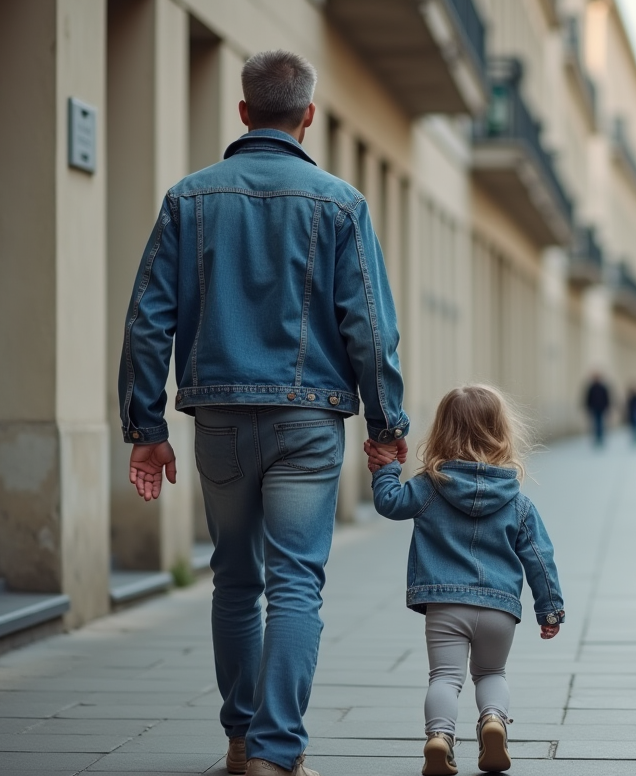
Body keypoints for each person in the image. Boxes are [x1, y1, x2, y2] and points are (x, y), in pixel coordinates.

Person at [119, 50, 408, 776]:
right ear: (308, 116)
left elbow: (148, 323)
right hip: (308, 424)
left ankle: (241, 740)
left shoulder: (188, 199)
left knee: (235, 581)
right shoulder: (341, 203)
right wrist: (387, 427)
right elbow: (369, 329)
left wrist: (146, 430)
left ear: (243, 112)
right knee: (295, 584)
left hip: (217, 419)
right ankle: (277, 756)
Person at [364, 385, 565, 776]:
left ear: (440, 432)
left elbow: (389, 502)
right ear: (501, 432)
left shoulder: (427, 487)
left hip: (445, 604)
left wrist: (385, 467)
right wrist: (550, 609)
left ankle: (439, 738)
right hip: (499, 609)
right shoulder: (517, 500)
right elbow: (540, 558)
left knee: (444, 677)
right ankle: (493, 721)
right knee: (491, 674)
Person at [583, 373, 611, 447]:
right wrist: (588, 407)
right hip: (594, 408)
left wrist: (607, 407)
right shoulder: (592, 388)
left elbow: (606, 398)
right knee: (595, 424)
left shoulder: (603, 388)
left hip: (601, 408)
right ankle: (596, 438)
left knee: (600, 424)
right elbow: (588, 398)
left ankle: (600, 438)